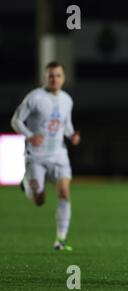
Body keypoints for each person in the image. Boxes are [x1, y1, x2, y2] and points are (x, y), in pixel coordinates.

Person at [10, 61, 80, 251]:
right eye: (50, 75)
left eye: (58, 75)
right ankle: (28, 185)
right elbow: (16, 120)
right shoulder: (35, 97)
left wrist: (72, 135)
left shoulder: (67, 99)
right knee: (39, 200)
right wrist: (30, 136)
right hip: (36, 156)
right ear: (44, 77)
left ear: (63, 78)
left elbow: (66, 125)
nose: (54, 79)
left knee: (64, 193)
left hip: (59, 154)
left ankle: (61, 238)